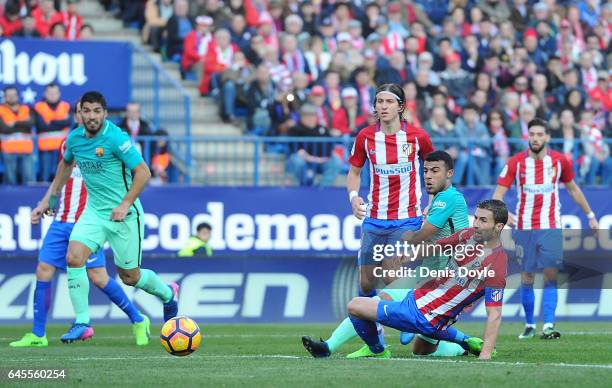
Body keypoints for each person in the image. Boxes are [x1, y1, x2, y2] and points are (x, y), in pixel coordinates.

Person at [303, 151, 470, 358]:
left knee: (421, 350)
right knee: (376, 301)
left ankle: (462, 344)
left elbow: (427, 234)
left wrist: (402, 252)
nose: (428, 175)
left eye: (435, 171)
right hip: (426, 275)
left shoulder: (450, 198)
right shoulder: (437, 201)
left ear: (449, 174)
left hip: (446, 285)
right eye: (425, 170)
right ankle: (329, 346)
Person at [10, 102, 150, 347]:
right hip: (61, 218)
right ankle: (38, 334)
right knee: (43, 269)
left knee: (99, 277)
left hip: (86, 221)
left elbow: (125, 177)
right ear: (77, 115)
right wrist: (45, 202)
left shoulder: (106, 144)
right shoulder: (70, 144)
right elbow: (59, 178)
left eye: (93, 112)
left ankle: (138, 319)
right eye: (82, 112)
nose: (86, 116)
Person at [45, 91, 179, 342]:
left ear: (105, 114)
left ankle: (168, 293)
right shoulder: (74, 139)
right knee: (74, 257)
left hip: (125, 215)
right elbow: (65, 165)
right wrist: (52, 198)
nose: (92, 116)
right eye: (87, 111)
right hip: (94, 213)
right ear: (80, 113)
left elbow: (143, 172)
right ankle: (82, 322)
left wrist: (126, 203)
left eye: (97, 111)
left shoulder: (117, 138)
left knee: (130, 277)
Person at [346, 199, 509, 360]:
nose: (476, 224)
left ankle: (377, 350)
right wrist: (409, 256)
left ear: (498, 227)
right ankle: (466, 342)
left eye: (483, 220)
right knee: (420, 350)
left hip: (425, 315)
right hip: (420, 299)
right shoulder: (468, 235)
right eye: (475, 218)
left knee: (355, 306)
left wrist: (485, 355)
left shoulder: (497, 263)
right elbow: (438, 246)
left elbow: (494, 313)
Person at [493, 118, 599, 340]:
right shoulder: (516, 163)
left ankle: (548, 324)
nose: (535, 138)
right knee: (527, 276)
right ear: (527, 136)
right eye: (532, 134)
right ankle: (530, 324)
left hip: (551, 226)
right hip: (524, 227)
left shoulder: (560, 161)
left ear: (547, 137)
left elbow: (573, 189)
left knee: (551, 274)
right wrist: (504, 214)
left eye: (540, 134)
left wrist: (590, 215)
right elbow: (498, 194)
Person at [346, 83, 433, 351]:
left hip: (406, 218)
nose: (382, 106)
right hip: (374, 217)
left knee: (392, 274)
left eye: (388, 101)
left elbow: (435, 169)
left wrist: (432, 202)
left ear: (401, 107)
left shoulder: (418, 137)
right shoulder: (365, 137)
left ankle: (409, 323)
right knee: (366, 282)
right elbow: (354, 173)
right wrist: (353, 198)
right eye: (378, 101)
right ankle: (376, 338)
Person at [34, 83, 73, 182]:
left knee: (61, 174)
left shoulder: (66, 106)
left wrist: (51, 121)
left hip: (62, 147)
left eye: (55, 93)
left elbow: (68, 122)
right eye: (50, 93)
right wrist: (60, 122)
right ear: (45, 94)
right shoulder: (38, 107)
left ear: (59, 93)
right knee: (45, 175)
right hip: (45, 147)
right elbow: (41, 126)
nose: (52, 95)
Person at [0, 86, 35, 185]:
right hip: (8, 150)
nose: (12, 97)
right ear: (5, 97)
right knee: (10, 182)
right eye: (9, 95)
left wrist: (14, 123)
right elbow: (4, 128)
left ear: (18, 96)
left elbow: (31, 124)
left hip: (26, 149)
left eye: (14, 95)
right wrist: (23, 122)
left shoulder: (26, 108)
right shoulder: (1, 110)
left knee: (29, 180)